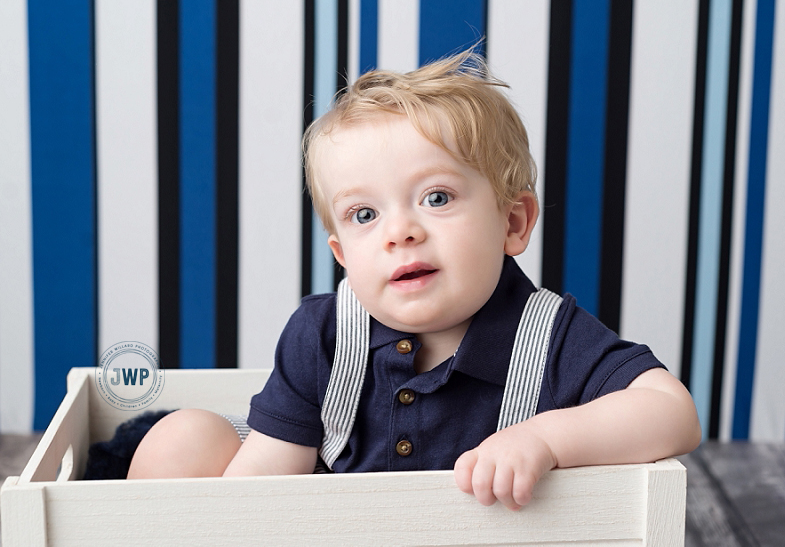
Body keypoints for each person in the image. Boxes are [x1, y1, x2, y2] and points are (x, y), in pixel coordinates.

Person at [129, 49, 700, 511]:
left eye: (437, 197)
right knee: (183, 437)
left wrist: (544, 440)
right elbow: (269, 480)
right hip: (336, 531)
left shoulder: (546, 337)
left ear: (513, 222)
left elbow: (673, 412)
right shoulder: (324, 333)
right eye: (364, 215)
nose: (399, 232)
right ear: (343, 255)